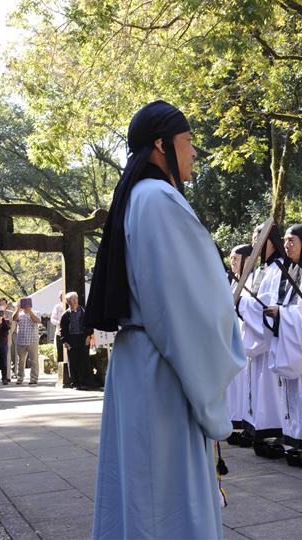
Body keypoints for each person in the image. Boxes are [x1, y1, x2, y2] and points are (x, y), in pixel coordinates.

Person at [88, 100, 246, 539]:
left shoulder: (138, 197)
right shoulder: (160, 199)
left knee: (140, 495)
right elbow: (187, 310)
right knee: (165, 498)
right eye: (188, 142)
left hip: (141, 363)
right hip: (163, 371)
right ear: (161, 144)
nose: (194, 153)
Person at [237, 223, 287, 458]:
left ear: (268, 241)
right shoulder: (259, 271)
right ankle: (257, 430)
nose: (254, 242)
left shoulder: (279, 269)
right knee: (256, 389)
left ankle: (273, 434)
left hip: (268, 342)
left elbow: (268, 304)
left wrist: (242, 304)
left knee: (269, 390)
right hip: (255, 341)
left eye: (257, 237)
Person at [269, 224, 302, 467]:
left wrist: (282, 314)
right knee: (294, 397)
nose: (286, 245)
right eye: (285, 240)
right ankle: (295, 439)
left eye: (292, 241)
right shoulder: (294, 270)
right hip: (291, 343)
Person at [225, 244, 253, 445]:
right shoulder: (232, 282)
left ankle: (244, 425)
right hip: (232, 339)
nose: (232, 262)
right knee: (233, 385)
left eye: (236, 258)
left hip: (246, 338)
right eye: (231, 259)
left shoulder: (251, 280)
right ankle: (233, 422)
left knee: (244, 385)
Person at [60, 293, 93, 389]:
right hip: (72, 339)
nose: (74, 301)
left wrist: (88, 336)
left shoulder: (83, 311)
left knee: (83, 360)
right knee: (73, 361)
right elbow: (63, 330)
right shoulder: (66, 315)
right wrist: (64, 341)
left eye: (76, 299)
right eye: (72, 299)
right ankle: (74, 383)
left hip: (83, 337)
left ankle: (83, 382)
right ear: (68, 302)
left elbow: (89, 325)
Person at [11, 300, 41, 386]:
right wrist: (17, 309)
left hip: (33, 340)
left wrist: (30, 312)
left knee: (34, 361)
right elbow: (13, 318)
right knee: (20, 361)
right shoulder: (19, 314)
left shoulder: (36, 312)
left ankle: (34, 379)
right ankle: (20, 378)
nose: (25, 305)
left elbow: (37, 321)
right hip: (21, 340)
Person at [50, 292, 67, 371]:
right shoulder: (57, 306)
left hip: (70, 333)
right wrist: (60, 322)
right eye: (60, 296)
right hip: (59, 332)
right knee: (60, 351)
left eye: (62, 296)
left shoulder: (71, 305)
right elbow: (52, 319)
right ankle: (61, 370)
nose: (60, 297)